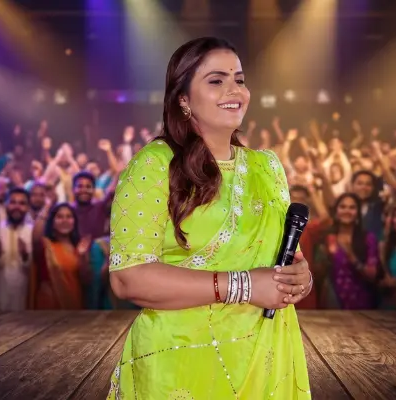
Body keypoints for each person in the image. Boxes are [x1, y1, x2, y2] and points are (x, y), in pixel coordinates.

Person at [106, 37, 312, 399]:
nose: (234, 90)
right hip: (180, 361)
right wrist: (246, 286)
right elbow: (128, 278)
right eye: (216, 80)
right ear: (183, 99)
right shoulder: (153, 165)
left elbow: (276, 261)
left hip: (265, 356)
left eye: (240, 79)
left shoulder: (268, 167)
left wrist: (298, 278)